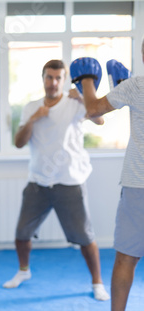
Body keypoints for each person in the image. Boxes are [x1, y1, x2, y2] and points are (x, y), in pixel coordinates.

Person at [2, 59, 110, 301]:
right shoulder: (31, 107)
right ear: (43, 79)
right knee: (21, 234)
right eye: (49, 77)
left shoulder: (74, 103)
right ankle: (23, 271)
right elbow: (19, 142)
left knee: (85, 238)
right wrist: (34, 119)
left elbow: (100, 120)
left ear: (64, 80)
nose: (53, 83)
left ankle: (97, 283)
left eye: (58, 78)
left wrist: (83, 97)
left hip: (69, 182)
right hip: (38, 182)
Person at [73, 45, 143, 311]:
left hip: (139, 186)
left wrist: (86, 80)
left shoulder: (136, 87)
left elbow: (93, 110)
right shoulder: (132, 88)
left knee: (126, 258)